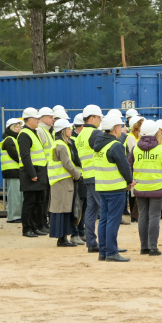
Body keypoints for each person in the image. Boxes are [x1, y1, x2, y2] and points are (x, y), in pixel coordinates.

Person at [87, 110, 131, 262]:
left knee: (104, 220)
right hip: (115, 188)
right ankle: (111, 252)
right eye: (120, 127)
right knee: (113, 220)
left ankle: (103, 251)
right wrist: (130, 181)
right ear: (116, 129)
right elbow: (124, 166)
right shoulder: (115, 145)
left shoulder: (98, 145)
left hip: (102, 187)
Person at [127, 119, 162, 256]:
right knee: (154, 216)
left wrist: (131, 183)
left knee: (143, 216)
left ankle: (144, 247)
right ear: (156, 133)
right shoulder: (161, 149)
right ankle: (153, 247)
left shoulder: (135, 149)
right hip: (158, 188)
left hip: (140, 188)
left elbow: (129, 167)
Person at [47, 118, 83, 247]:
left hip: (59, 182)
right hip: (62, 182)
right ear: (63, 131)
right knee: (63, 209)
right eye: (68, 129)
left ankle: (62, 237)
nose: (71, 130)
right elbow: (67, 164)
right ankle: (62, 238)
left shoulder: (58, 144)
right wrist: (78, 175)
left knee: (61, 209)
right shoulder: (61, 146)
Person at [17, 108, 49, 238]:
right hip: (31, 173)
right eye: (36, 119)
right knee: (29, 203)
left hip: (39, 171)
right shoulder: (24, 134)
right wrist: (32, 174)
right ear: (29, 120)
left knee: (38, 202)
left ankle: (35, 227)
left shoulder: (33, 132)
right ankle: (27, 228)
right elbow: (25, 156)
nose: (38, 121)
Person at [75, 105, 103, 253]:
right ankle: (107, 244)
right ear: (92, 118)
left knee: (91, 210)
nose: (101, 120)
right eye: (99, 117)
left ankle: (91, 243)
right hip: (98, 175)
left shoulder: (80, 135)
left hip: (87, 175)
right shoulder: (95, 133)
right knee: (105, 209)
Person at [0, 118, 24, 224]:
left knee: (19, 195)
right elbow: (14, 154)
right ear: (10, 128)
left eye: (19, 127)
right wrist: (25, 161)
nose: (19, 129)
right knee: (14, 195)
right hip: (12, 171)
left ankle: (18, 215)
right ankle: (14, 216)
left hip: (17, 170)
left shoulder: (15, 139)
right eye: (16, 127)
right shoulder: (9, 139)